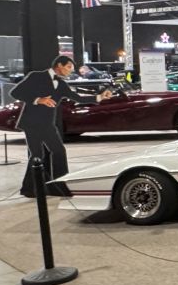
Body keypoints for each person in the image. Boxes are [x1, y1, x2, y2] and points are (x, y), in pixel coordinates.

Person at [11, 56, 114, 197]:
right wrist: (38, 100)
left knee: (58, 151)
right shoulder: (36, 76)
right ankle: (30, 189)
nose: (70, 71)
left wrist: (100, 97)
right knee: (37, 155)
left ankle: (58, 187)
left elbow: (78, 98)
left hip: (47, 123)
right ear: (59, 65)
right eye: (69, 67)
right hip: (32, 122)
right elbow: (15, 92)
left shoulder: (61, 84)